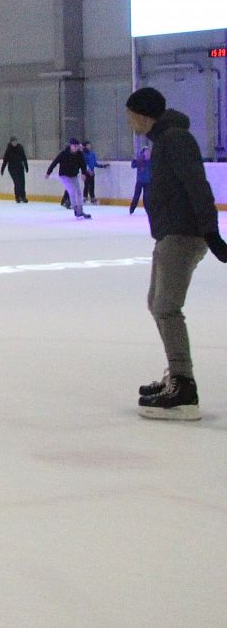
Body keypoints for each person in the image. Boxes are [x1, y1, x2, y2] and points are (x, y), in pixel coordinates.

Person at [124, 88, 227, 421]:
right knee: (157, 303)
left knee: (167, 307)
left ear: (142, 114)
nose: (129, 122)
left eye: (130, 115)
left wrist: (211, 233)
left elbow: (197, 185)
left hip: (183, 234)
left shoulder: (175, 139)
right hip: (171, 233)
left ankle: (183, 387)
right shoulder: (165, 140)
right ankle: (177, 375)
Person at [46, 139, 90, 220]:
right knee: (72, 191)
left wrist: (83, 173)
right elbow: (54, 162)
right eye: (74, 146)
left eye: (77, 146)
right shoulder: (63, 154)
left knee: (79, 192)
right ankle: (75, 208)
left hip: (73, 175)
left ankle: (80, 209)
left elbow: (83, 164)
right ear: (70, 146)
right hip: (64, 176)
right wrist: (48, 172)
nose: (76, 148)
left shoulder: (79, 154)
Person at [1, 138, 30, 203]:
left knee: (22, 182)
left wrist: (26, 166)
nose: (14, 143)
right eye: (13, 142)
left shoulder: (20, 148)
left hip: (20, 167)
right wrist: (2, 169)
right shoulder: (8, 149)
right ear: (11, 142)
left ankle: (23, 196)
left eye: (15, 141)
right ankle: (17, 197)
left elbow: (24, 157)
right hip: (12, 168)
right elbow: (5, 160)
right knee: (17, 182)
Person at [130, 145, 151, 215]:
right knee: (136, 196)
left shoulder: (151, 161)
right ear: (143, 153)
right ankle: (132, 208)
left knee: (146, 197)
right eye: (146, 152)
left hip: (148, 182)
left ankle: (148, 210)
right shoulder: (140, 160)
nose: (148, 153)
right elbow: (133, 166)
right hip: (140, 181)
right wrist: (134, 159)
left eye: (148, 152)